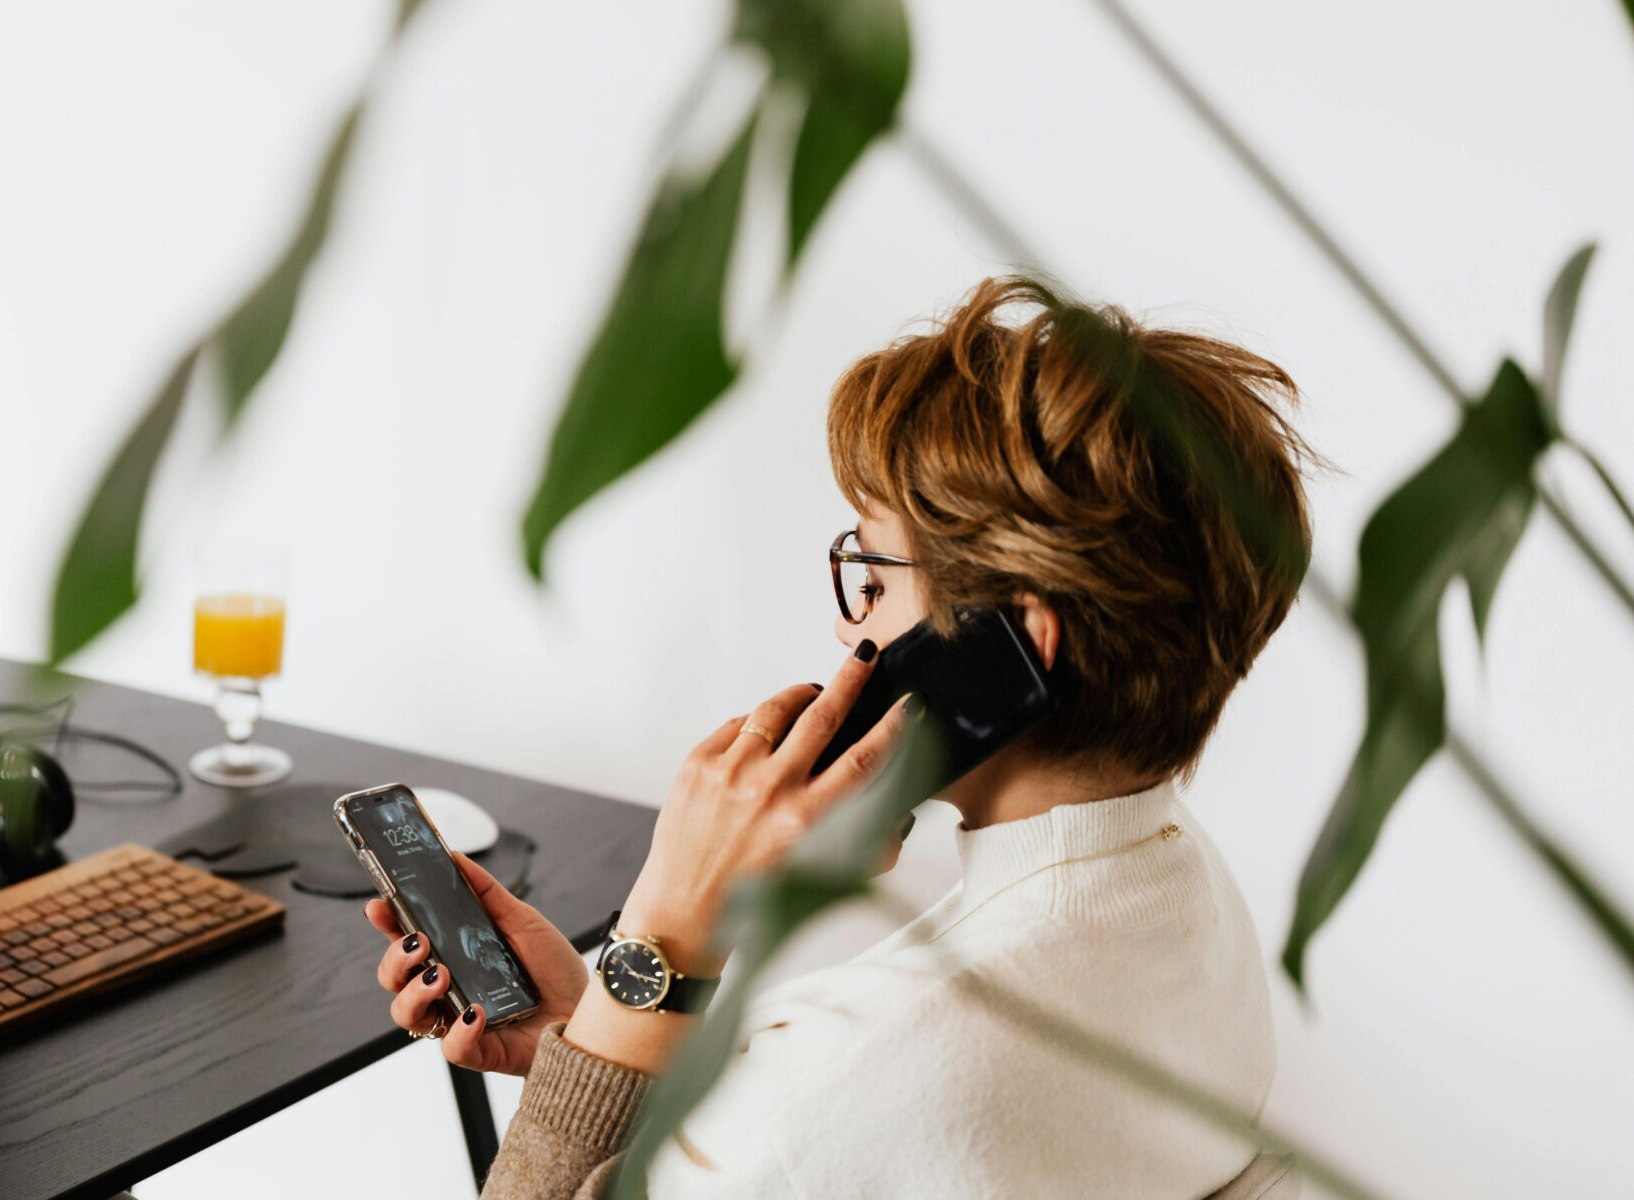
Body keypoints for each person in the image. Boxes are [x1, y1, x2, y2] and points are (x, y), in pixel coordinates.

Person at [365, 276, 1316, 1197]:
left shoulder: (843, 1089)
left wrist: (664, 926)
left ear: (1014, 645)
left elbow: (816, 1128)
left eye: (872, 576)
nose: (846, 627)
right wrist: (603, 1020)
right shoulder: (1185, 896)